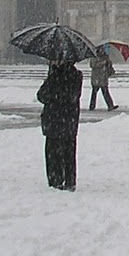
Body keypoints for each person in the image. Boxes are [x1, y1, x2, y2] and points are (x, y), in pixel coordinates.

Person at [37, 57, 82, 190]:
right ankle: (70, 180)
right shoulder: (77, 75)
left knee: (53, 152)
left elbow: (41, 95)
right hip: (70, 120)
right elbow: (73, 96)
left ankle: (55, 179)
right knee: (69, 152)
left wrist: (50, 79)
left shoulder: (55, 76)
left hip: (54, 120)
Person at [88, 47, 117, 111]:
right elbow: (93, 65)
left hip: (103, 78)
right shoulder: (94, 57)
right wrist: (103, 63)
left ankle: (110, 105)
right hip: (97, 78)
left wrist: (108, 62)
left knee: (105, 92)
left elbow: (109, 65)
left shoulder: (105, 57)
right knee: (95, 93)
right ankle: (92, 106)